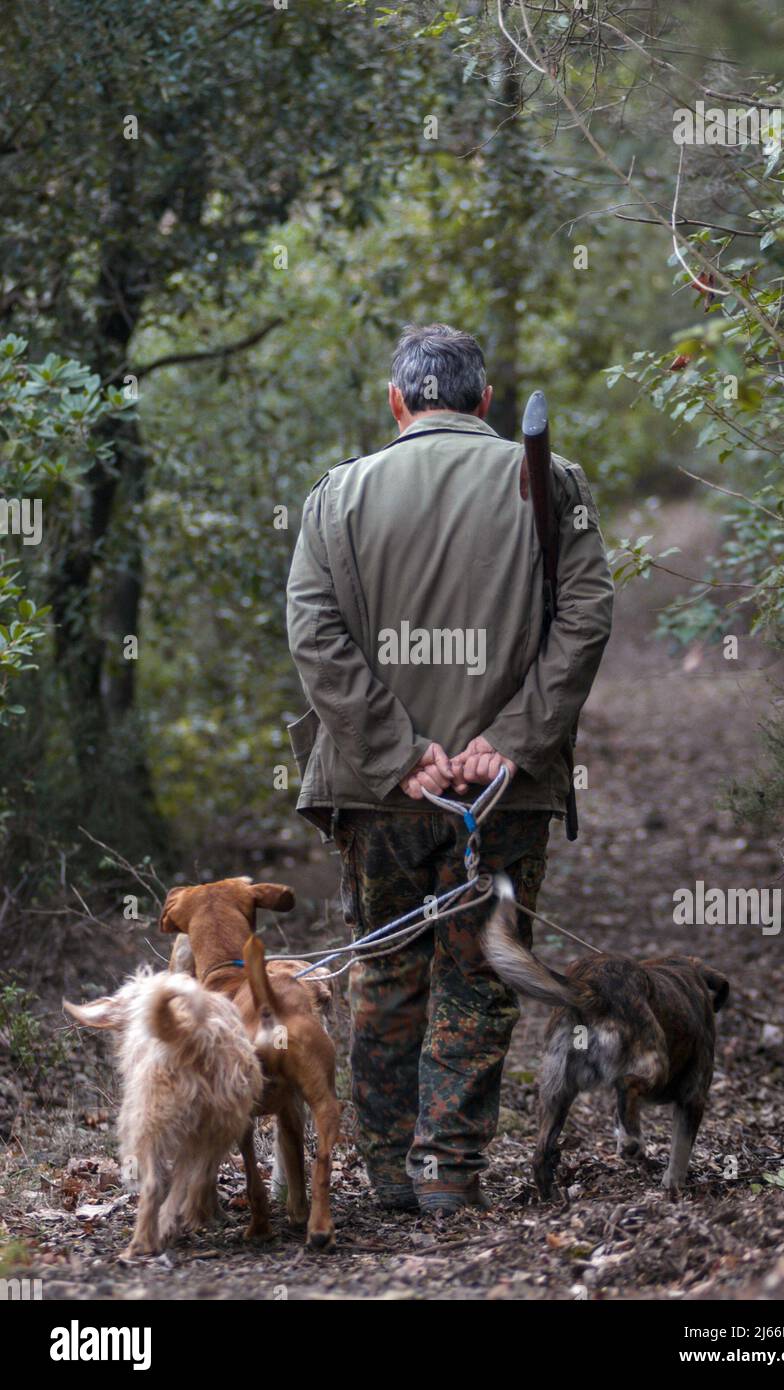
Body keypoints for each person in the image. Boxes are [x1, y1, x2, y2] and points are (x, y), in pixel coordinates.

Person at [286, 323, 613, 1213]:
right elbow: (587, 616)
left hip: (376, 793)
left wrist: (399, 756)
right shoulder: (552, 484)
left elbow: (313, 635)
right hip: (504, 791)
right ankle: (448, 1175)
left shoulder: (337, 496)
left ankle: (391, 1174)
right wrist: (511, 740)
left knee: (385, 974)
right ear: (485, 400)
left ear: (397, 403)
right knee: (481, 972)